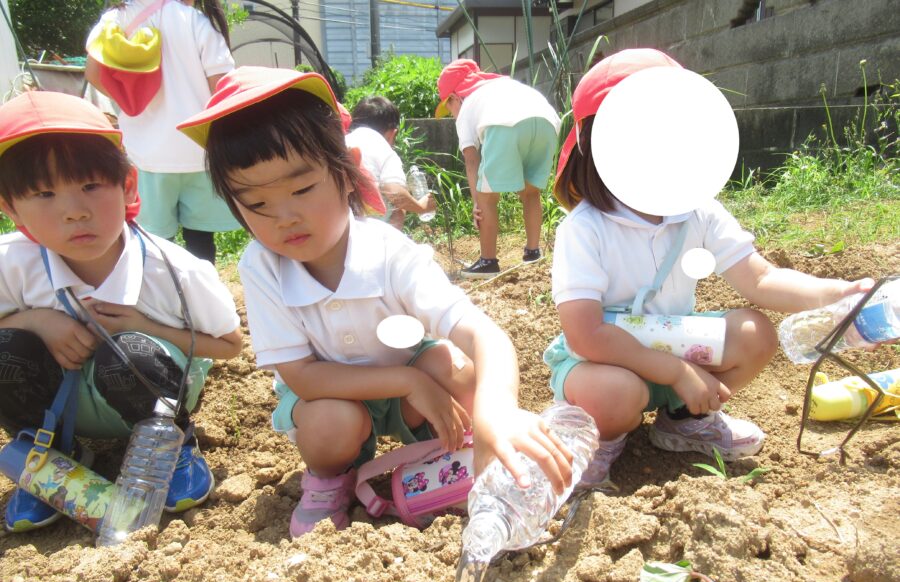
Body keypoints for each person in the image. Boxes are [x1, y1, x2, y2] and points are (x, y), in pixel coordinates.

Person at [176, 66, 572, 538]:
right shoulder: (262, 267)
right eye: (257, 204)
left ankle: (461, 446)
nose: (284, 217)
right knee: (329, 423)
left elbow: (482, 333)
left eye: (302, 189)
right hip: (332, 394)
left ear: (348, 172)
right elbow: (301, 375)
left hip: (411, 390)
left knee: (455, 368)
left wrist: (497, 410)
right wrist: (405, 380)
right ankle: (331, 479)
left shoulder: (389, 252)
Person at [544, 48, 874, 480]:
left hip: (674, 344)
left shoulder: (698, 213)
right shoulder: (584, 229)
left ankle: (685, 420)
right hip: (604, 361)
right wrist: (677, 370)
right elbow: (585, 335)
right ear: (597, 144)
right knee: (615, 393)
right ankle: (597, 440)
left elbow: (761, 278)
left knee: (754, 333)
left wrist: (837, 295)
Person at [0, 91, 242, 532]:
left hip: (151, 395)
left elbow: (230, 344)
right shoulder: (11, 263)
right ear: (10, 207)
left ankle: (172, 448)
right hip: (61, 404)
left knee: (130, 352)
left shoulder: (175, 270)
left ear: (128, 185)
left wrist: (142, 325)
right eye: (44, 193)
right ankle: (48, 457)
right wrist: (36, 320)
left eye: (90, 186)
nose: (74, 212)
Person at [85, 0, 241, 263]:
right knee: (201, 241)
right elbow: (221, 86)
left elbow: (93, 73)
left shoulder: (116, 18)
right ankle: (201, 288)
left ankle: (159, 288)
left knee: (153, 242)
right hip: (199, 149)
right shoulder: (195, 21)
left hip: (146, 156)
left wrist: (128, 101)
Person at [435, 59, 560, 279]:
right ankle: (533, 253)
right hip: (547, 121)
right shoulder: (503, 86)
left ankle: (488, 262)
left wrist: (476, 201)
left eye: (448, 107)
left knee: (487, 196)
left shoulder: (467, 106)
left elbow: (471, 160)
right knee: (531, 192)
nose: (451, 113)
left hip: (504, 124)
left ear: (455, 97)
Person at [345, 96, 436, 230]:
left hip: (337, 226)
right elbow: (394, 191)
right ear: (393, 133)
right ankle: (387, 243)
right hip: (369, 229)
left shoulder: (342, 141)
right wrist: (421, 207)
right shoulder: (382, 147)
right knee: (399, 209)